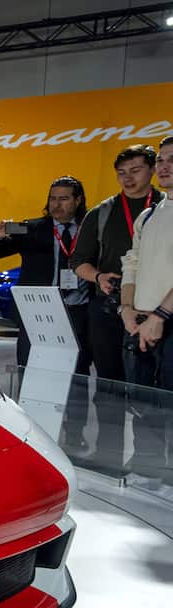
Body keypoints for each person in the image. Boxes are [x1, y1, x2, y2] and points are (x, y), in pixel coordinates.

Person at [72, 144, 163, 472]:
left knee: (148, 389)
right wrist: (98, 276)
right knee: (108, 385)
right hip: (109, 309)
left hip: (154, 310)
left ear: (152, 170)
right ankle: (108, 457)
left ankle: (148, 463)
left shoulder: (163, 208)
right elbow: (78, 260)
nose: (128, 178)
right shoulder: (103, 212)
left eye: (135, 170)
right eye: (122, 173)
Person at [0, 175, 91, 449]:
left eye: (64, 198)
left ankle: (75, 432)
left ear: (78, 200)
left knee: (76, 374)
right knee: (29, 369)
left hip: (78, 310)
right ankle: (31, 429)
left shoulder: (90, 227)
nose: (56, 204)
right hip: (38, 311)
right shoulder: (32, 228)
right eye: (53, 198)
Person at [119, 136, 173, 482]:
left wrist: (161, 315)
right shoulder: (151, 214)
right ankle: (147, 470)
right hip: (141, 322)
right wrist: (127, 308)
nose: (165, 166)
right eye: (163, 160)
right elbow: (132, 264)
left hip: (164, 320)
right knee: (143, 402)